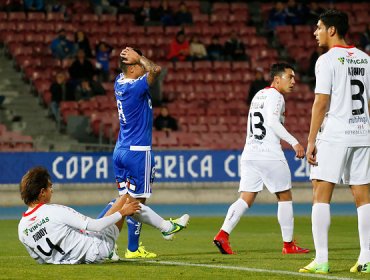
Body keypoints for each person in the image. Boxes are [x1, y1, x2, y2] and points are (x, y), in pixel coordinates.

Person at [299, 10, 370, 274]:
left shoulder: (327, 60)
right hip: (363, 131)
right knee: (363, 196)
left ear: (331, 30)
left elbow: (321, 102)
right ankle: (366, 258)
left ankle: (322, 259)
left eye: (318, 28)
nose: (315, 33)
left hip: (335, 134)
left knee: (320, 192)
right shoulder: (365, 59)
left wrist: (310, 141)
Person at [213, 63, 309, 255]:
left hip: (250, 153)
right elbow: (273, 122)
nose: (293, 81)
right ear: (277, 79)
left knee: (245, 198)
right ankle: (288, 245)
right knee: (285, 196)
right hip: (269, 154)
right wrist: (295, 142)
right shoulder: (276, 96)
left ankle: (223, 234)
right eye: (289, 77)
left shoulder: (258, 94)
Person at [107, 47, 189, 259]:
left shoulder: (119, 81)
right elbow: (156, 70)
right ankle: (164, 227)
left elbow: (146, 71)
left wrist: (134, 60)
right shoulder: (135, 87)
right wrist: (141, 59)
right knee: (134, 203)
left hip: (121, 149)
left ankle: (131, 248)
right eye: (138, 66)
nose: (143, 69)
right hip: (137, 152)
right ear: (133, 67)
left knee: (124, 201)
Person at [18, 166, 141, 264]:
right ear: (42, 192)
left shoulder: (22, 228)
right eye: (50, 187)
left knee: (112, 206)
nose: (52, 190)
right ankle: (161, 227)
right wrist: (123, 212)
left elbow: (39, 259)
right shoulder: (55, 211)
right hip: (98, 250)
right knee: (126, 197)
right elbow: (96, 226)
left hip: (67, 260)